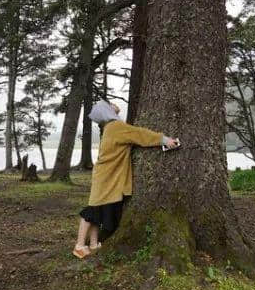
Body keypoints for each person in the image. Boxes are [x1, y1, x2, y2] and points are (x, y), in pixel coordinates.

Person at [73, 100, 179, 259]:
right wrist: (165, 140)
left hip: (104, 175)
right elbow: (141, 134)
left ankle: (93, 244)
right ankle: (80, 245)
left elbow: (115, 112)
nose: (114, 107)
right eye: (109, 107)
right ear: (107, 112)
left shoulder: (109, 127)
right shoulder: (117, 127)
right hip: (106, 177)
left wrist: (112, 108)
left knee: (98, 211)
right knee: (92, 211)